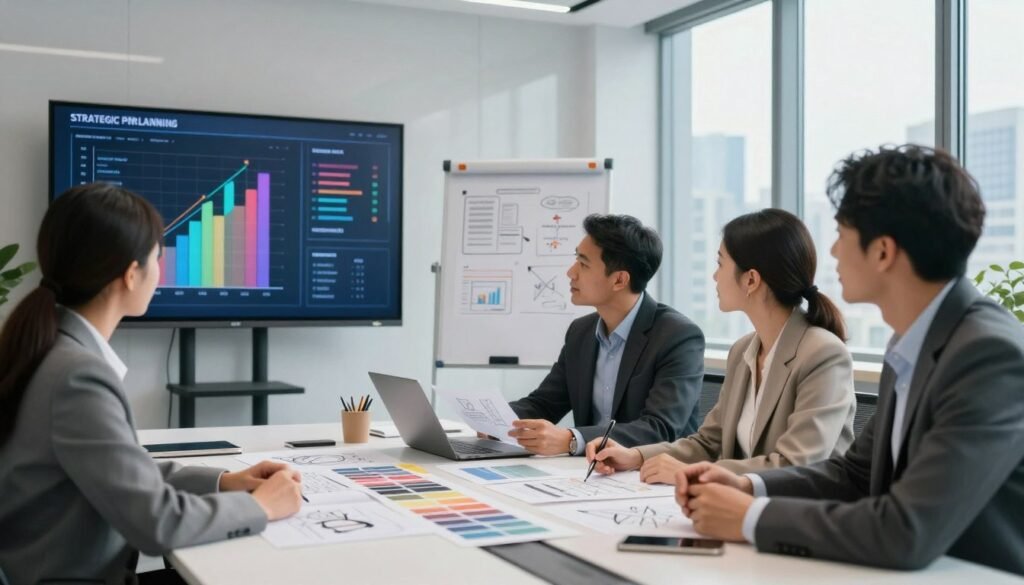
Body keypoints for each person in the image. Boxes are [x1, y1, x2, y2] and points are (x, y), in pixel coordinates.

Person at [672, 145, 1024, 576]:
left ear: (882, 252)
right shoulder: (913, 341)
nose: (833, 252)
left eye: (841, 234)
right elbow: (855, 475)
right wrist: (748, 485)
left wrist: (749, 517)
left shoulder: (987, 355)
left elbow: (906, 530)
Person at [0, 183, 303, 585]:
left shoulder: (47, 348)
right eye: (159, 257)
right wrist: (262, 508)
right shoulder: (76, 377)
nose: (161, 271)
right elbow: (155, 523)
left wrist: (223, 482)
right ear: (130, 274)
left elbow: (120, 473)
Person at [586, 209, 855, 483]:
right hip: (749, 506)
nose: (714, 276)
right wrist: (636, 456)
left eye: (720, 264)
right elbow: (708, 442)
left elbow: (797, 464)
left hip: (806, 514)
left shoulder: (823, 354)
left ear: (750, 279)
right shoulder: (743, 351)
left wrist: (693, 472)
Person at [506, 213, 705, 456]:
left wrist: (572, 439)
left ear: (619, 279)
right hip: (591, 472)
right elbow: (545, 403)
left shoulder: (678, 336)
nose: (571, 272)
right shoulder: (581, 332)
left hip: (651, 477)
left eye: (584, 263)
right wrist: (497, 420)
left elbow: (660, 428)